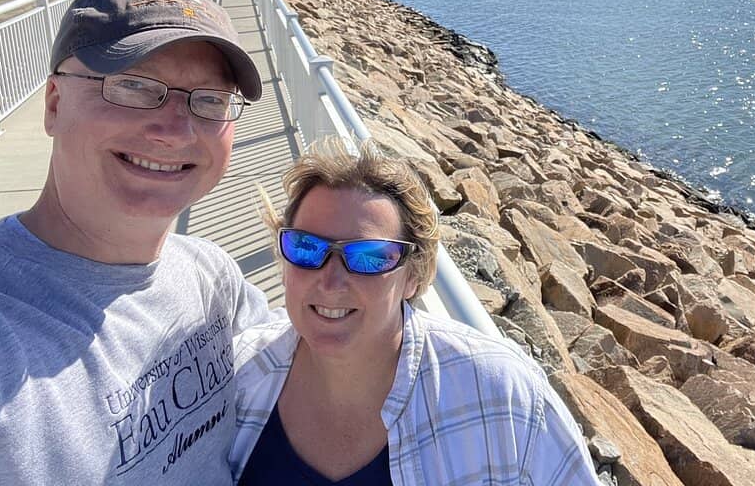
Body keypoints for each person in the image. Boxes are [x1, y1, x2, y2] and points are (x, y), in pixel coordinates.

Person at [0, 0, 276, 485]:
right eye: (134, 86)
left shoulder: (210, 275)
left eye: (210, 100)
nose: (176, 130)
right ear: (54, 104)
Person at [230, 140, 598, 485]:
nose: (331, 281)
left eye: (370, 257)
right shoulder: (238, 374)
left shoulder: (502, 395)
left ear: (414, 276)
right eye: (306, 247)